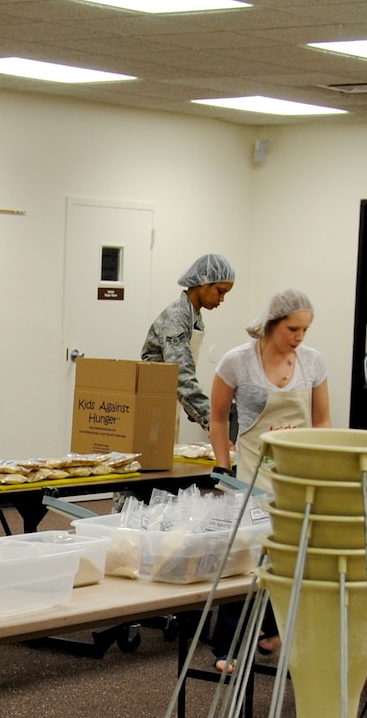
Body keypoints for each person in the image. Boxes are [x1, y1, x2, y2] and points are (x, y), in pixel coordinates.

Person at [208, 288, 331, 666]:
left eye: (305, 330)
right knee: (248, 554)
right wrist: (223, 467)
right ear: (272, 323)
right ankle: (228, 645)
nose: (299, 337)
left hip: (297, 472)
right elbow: (218, 418)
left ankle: (274, 630)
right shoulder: (238, 362)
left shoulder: (313, 362)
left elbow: (322, 419)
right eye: (292, 329)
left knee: (294, 555)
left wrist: (323, 466)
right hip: (253, 472)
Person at [141, 253, 235, 431]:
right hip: (153, 404)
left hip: (169, 401)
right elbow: (181, 374)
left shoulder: (194, 318)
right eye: (220, 291)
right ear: (204, 283)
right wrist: (211, 420)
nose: (222, 299)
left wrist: (193, 410)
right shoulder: (176, 318)